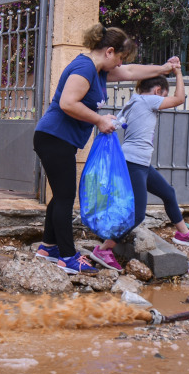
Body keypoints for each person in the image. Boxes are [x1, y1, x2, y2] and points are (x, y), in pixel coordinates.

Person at [33, 25, 178, 274]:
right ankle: (68, 257)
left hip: (59, 139)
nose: (120, 64)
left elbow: (131, 71)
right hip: (54, 137)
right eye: (119, 58)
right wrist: (99, 120)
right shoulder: (85, 68)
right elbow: (68, 103)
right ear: (110, 52)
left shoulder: (98, 71)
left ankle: (48, 247)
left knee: (60, 195)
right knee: (66, 198)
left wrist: (164, 69)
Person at [87, 63, 189, 272]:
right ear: (158, 91)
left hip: (138, 162)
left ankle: (183, 233)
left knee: (168, 193)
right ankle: (105, 249)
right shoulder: (149, 100)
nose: (163, 101)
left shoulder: (132, 102)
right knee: (137, 214)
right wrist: (178, 72)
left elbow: (118, 123)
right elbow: (179, 99)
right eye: (163, 96)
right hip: (134, 163)